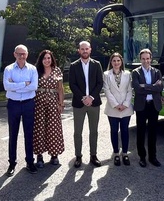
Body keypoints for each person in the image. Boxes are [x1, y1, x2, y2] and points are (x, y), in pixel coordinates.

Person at [2, 44, 39, 176]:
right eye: (19, 54)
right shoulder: (9, 69)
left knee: (29, 134)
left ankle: (30, 162)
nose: (21, 56)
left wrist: (15, 85)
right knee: (13, 134)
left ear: (27, 55)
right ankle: (12, 163)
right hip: (13, 104)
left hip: (29, 104)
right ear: (14, 54)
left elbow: (34, 86)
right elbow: (7, 86)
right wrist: (24, 84)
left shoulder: (32, 69)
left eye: (23, 54)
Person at [68, 40, 104, 168]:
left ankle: (93, 155)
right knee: (78, 132)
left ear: (90, 50)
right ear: (79, 50)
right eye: (82, 49)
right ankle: (78, 156)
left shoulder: (97, 64)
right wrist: (83, 97)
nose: (84, 51)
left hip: (94, 103)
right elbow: (72, 84)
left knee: (93, 131)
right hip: (79, 103)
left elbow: (100, 83)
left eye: (86, 49)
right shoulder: (74, 65)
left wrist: (91, 97)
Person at [131, 48, 164, 167]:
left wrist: (145, 86)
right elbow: (138, 89)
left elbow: (160, 88)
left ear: (151, 59)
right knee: (140, 131)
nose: (146, 61)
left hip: (153, 105)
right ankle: (142, 157)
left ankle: (153, 157)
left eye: (148, 58)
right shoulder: (135, 72)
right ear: (140, 59)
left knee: (153, 132)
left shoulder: (157, 72)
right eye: (143, 59)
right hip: (142, 105)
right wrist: (152, 86)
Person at [33, 50, 65, 168]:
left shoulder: (57, 70)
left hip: (53, 103)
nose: (47, 60)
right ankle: (39, 156)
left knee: (53, 128)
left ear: (52, 59)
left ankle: (54, 154)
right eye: (44, 58)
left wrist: (61, 104)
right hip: (39, 103)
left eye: (49, 58)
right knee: (39, 129)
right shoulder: (36, 71)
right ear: (41, 60)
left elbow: (60, 89)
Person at [102, 52, 134, 166]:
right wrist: (116, 105)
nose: (116, 63)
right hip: (112, 108)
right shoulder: (106, 74)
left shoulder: (128, 74)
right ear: (111, 62)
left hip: (126, 108)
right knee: (114, 131)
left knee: (125, 131)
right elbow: (106, 90)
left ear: (121, 62)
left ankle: (125, 153)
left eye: (118, 61)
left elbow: (130, 90)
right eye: (114, 61)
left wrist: (125, 104)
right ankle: (116, 153)